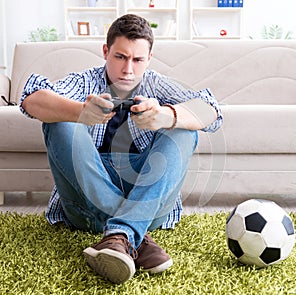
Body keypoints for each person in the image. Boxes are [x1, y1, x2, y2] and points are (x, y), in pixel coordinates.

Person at [20, 14, 223, 284]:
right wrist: (80, 111)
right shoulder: (85, 82)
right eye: (120, 57)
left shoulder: (156, 84)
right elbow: (31, 98)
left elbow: (211, 110)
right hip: (85, 208)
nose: (128, 69)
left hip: (149, 202)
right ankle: (132, 234)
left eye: (137, 60)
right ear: (106, 51)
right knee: (60, 124)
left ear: (149, 59)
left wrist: (166, 115)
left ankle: (120, 234)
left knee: (184, 132)